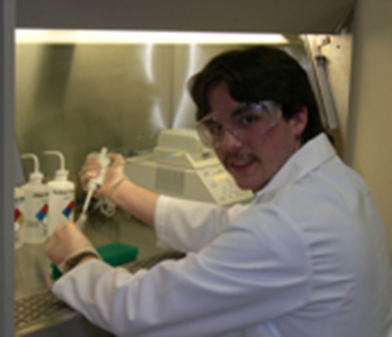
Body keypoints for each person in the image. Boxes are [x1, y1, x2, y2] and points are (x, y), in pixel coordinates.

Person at [46, 46, 392, 337]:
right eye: (215, 126)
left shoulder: (285, 227)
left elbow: (136, 309)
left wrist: (78, 259)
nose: (228, 144)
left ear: (296, 118)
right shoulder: (334, 182)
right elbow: (224, 225)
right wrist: (120, 190)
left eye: (248, 119)